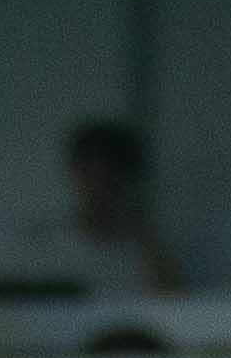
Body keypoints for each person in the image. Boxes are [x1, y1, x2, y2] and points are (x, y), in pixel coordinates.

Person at [26, 115, 183, 297]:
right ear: (75, 174)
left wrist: (148, 242)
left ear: (128, 182)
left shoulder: (150, 251)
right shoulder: (44, 245)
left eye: (109, 179)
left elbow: (173, 308)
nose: (97, 189)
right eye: (88, 175)